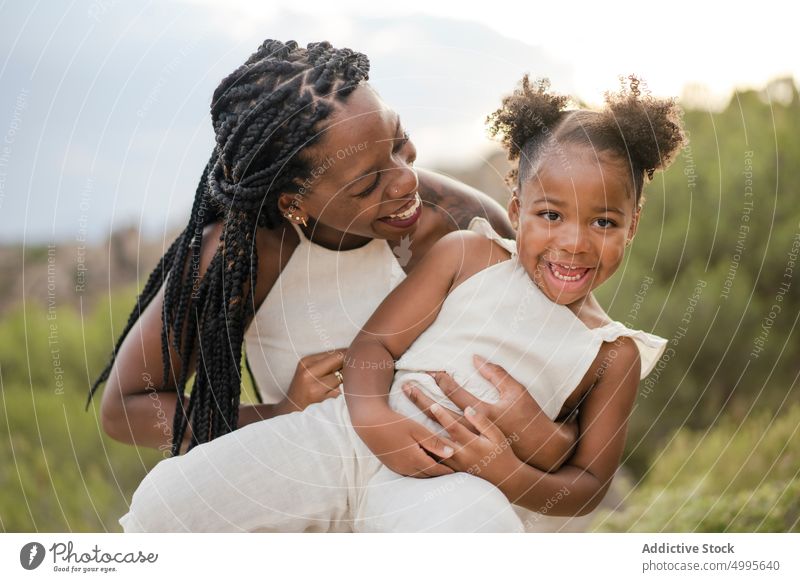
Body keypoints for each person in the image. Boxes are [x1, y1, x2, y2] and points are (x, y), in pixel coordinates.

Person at [118, 74, 685, 532]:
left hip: (444, 487)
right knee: (171, 500)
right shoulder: (236, 257)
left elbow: (580, 455)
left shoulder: (463, 227)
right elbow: (377, 346)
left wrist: (531, 444)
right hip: (336, 439)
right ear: (295, 202)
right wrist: (294, 415)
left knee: (471, 533)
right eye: (367, 184)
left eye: (400, 143)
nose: (406, 180)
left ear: (632, 225)